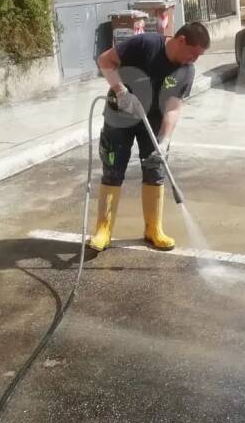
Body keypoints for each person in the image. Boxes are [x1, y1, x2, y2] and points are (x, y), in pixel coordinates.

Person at [89, 22, 211, 252]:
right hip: (120, 115)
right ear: (181, 40)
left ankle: (153, 230)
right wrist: (122, 92)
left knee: (155, 171)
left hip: (152, 122)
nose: (194, 60)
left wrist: (163, 141)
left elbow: (173, 109)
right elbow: (105, 60)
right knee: (113, 169)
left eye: (198, 56)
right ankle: (103, 230)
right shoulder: (145, 43)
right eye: (193, 53)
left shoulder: (186, 71)